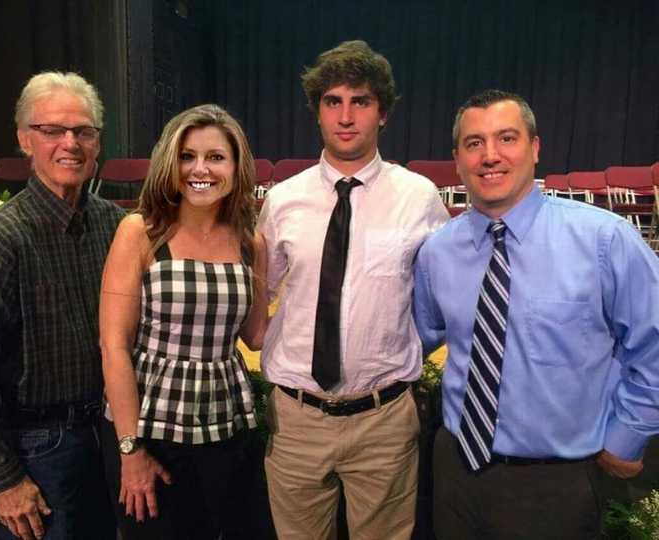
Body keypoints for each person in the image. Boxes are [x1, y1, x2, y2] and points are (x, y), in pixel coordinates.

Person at [413, 88, 659, 539]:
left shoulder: (605, 240)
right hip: (455, 472)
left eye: (506, 138)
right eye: (474, 143)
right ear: (457, 159)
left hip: (558, 482)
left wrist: (628, 435)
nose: (490, 156)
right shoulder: (438, 252)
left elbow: (654, 343)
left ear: (535, 148)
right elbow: (418, 337)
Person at [258, 40, 448, 539]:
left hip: (383, 421)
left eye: (360, 101)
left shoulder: (419, 198)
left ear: (382, 113)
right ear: (317, 111)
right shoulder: (282, 201)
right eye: (332, 101)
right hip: (296, 420)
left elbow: (440, 297)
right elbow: (261, 294)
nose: (346, 116)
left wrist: (396, 353)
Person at [0, 71, 123, 540]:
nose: (71, 143)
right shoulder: (1, 240)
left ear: (98, 142)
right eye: (53, 131)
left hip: (105, 437)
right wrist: (3, 480)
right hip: (38, 449)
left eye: (83, 131)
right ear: (26, 140)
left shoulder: (116, 226)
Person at [99, 103, 267, 540]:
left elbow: (255, 336)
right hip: (151, 428)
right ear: (169, 164)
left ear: (236, 166)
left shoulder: (252, 242)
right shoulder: (140, 231)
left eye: (216, 157)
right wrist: (130, 450)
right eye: (188, 156)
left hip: (226, 422)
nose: (201, 169)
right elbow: (114, 346)